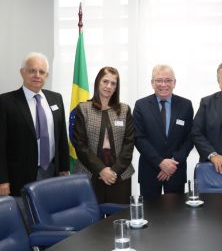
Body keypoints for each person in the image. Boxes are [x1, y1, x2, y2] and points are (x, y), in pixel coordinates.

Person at [0, 52, 70, 196]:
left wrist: (64, 168)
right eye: (32, 70)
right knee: (24, 216)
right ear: (22, 72)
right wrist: (2, 180)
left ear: (47, 75)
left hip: (51, 173)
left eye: (42, 71)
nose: (37, 75)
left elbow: (62, 136)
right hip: (19, 178)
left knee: (51, 215)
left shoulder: (56, 98)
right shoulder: (5, 102)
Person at [73, 66, 135, 204]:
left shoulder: (124, 110)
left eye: (113, 83)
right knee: (94, 223)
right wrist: (101, 170)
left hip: (120, 176)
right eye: (105, 81)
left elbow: (129, 144)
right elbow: (80, 145)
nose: (109, 86)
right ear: (97, 83)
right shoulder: (84, 109)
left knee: (120, 221)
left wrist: (114, 171)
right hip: (90, 175)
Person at [133, 65, 194, 199]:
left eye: (168, 80)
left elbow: (190, 138)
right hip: (150, 170)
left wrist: (172, 162)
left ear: (174, 83)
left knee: (176, 216)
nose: (163, 84)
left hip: (175, 170)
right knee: (150, 215)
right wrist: (160, 162)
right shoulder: (141, 105)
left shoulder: (186, 105)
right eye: (159, 80)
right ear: (152, 83)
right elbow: (139, 138)